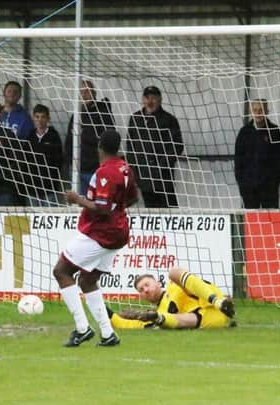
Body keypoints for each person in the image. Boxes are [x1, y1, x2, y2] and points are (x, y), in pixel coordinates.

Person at [53, 129, 138, 347]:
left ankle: (82, 329)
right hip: (118, 232)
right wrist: (117, 211)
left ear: (99, 146)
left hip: (100, 233)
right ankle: (108, 334)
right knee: (88, 279)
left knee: (62, 271)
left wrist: (76, 199)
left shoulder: (106, 172)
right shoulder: (125, 168)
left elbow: (101, 208)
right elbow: (133, 198)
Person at [108, 267, 235, 329]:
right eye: (141, 290)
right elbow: (125, 324)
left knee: (173, 273)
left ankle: (218, 301)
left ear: (158, 283)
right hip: (207, 320)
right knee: (166, 321)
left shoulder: (173, 286)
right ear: (141, 297)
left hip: (214, 302)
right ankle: (160, 319)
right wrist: (105, 312)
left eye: (147, 285)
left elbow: (191, 284)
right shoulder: (157, 311)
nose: (145, 290)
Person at [126, 85, 184, 208]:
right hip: (143, 175)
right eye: (147, 98)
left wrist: (161, 166)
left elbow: (177, 146)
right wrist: (134, 168)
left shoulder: (169, 120)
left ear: (160, 100)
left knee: (168, 209)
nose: (150, 101)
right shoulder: (135, 119)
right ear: (143, 99)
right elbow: (130, 145)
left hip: (162, 176)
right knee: (150, 209)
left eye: (154, 98)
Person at [64, 79, 115, 195]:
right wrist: (69, 163)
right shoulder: (76, 115)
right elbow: (69, 141)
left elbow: (108, 139)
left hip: (96, 170)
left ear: (94, 94)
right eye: (82, 92)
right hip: (77, 170)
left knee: (97, 205)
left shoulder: (103, 113)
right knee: (80, 206)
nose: (84, 94)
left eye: (87, 91)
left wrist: (83, 134)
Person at [234, 98, 280, 208]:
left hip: (269, 189)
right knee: (251, 222)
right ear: (251, 112)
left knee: (271, 220)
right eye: (255, 110)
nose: (258, 113)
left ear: (267, 111)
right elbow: (238, 160)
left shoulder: (275, 132)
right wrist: (242, 184)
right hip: (248, 189)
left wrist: (274, 182)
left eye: (261, 110)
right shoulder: (244, 132)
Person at [28, 104, 63, 206]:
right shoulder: (30, 136)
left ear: (48, 119)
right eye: (37, 117)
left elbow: (59, 161)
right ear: (33, 118)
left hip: (49, 187)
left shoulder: (54, 136)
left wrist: (53, 178)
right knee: (33, 218)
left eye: (43, 117)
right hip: (32, 187)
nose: (40, 120)